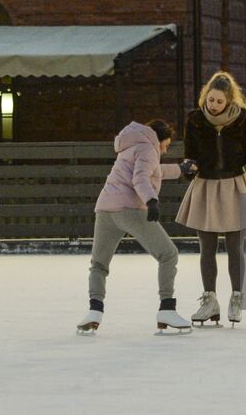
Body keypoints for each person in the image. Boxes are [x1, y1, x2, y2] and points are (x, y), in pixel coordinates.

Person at [78, 118, 196, 334]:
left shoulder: (131, 145)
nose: (165, 150)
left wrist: (180, 169)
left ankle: (94, 311)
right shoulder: (149, 149)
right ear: (159, 140)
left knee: (99, 264)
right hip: (129, 208)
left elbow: (153, 170)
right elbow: (140, 177)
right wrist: (151, 201)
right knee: (168, 254)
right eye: (166, 145)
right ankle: (167, 309)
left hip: (105, 208)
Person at [176, 71, 246, 327]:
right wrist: (189, 166)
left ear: (228, 101)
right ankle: (210, 300)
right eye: (210, 100)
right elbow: (189, 152)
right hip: (206, 186)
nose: (213, 105)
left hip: (235, 184)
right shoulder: (195, 120)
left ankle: (236, 297)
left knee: (235, 247)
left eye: (219, 101)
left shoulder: (239, 119)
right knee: (207, 248)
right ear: (206, 97)